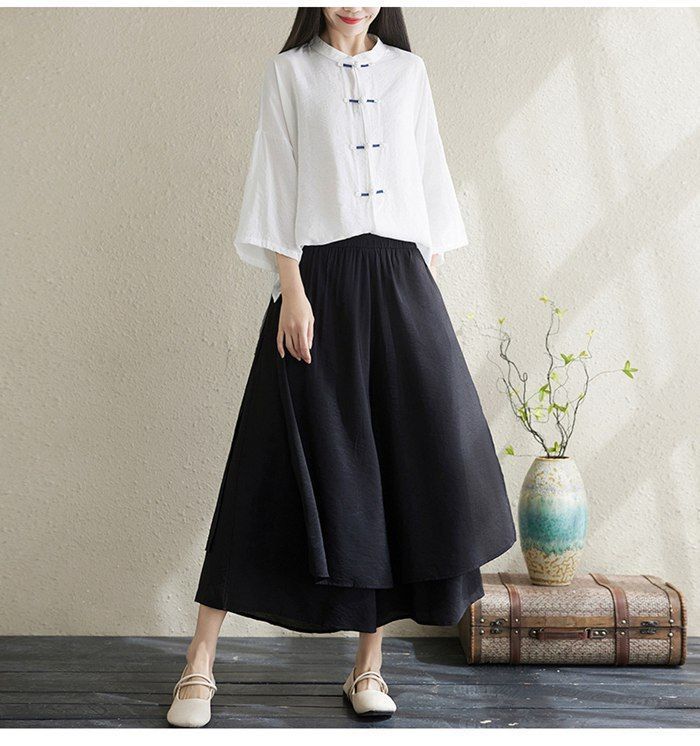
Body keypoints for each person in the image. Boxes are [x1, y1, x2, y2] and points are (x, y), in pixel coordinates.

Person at [167, 6, 516, 727]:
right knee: (265, 463)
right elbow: (275, 181)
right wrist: (291, 289)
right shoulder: (290, 74)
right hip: (317, 284)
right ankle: (199, 663)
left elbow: (428, 178)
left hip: (402, 284)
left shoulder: (409, 73)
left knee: (393, 468)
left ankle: (368, 665)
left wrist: (419, 301)